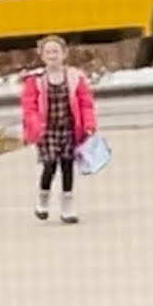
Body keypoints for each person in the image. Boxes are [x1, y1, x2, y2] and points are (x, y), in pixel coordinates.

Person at [19, 35, 98, 223]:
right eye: (48, 52)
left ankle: (67, 205)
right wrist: (34, 125)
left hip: (69, 129)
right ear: (42, 56)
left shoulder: (74, 78)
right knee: (50, 166)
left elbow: (85, 103)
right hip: (47, 131)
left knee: (67, 166)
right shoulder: (36, 80)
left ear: (64, 54)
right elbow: (28, 107)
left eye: (56, 51)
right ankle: (43, 199)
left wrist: (89, 124)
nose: (52, 55)